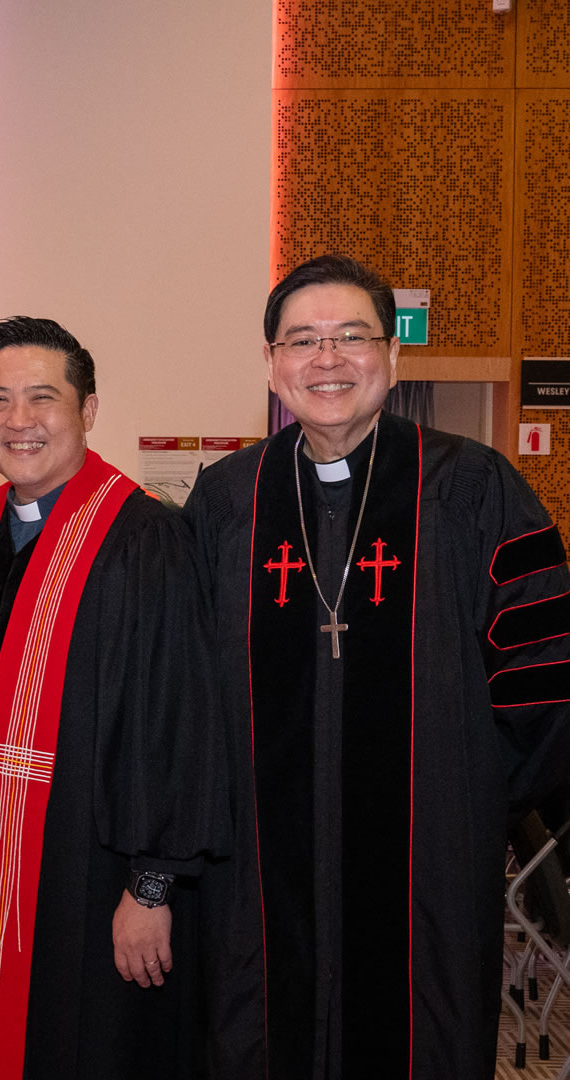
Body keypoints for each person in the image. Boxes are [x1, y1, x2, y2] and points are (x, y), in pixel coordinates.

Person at [188, 254, 570, 1079]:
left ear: (393, 355)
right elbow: (187, 694)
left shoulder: (475, 490)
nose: (326, 359)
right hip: (260, 878)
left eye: (351, 336)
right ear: (271, 363)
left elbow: (544, 670)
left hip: (427, 870)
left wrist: (464, 793)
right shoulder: (226, 503)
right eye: (302, 340)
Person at [0, 316, 227, 1079]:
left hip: (92, 888)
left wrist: (151, 886)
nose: (19, 420)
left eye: (42, 398)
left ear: (88, 409)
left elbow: (175, 725)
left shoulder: (142, 540)